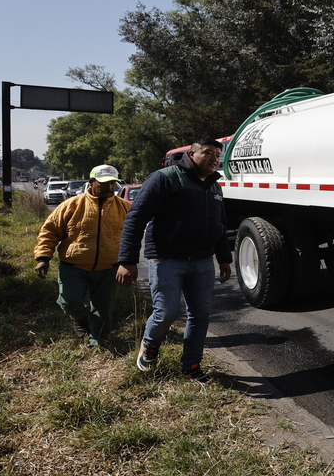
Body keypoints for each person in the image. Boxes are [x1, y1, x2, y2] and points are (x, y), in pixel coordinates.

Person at [116, 137, 232, 383]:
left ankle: (191, 366)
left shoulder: (214, 186)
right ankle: (149, 345)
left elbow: (220, 224)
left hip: (202, 262)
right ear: (191, 154)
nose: (214, 158)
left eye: (218, 155)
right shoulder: (165, 178)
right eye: (208, 152)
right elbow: (136, 218)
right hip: (167, 259)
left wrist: (224, 258)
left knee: (200, 315)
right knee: (166, 312)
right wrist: (127, 260)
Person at [34, 164, 129, 348]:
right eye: (103, 183)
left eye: (112, 183)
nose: (109, 187)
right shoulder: (72, 205)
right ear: (91, 182)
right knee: (69, 301)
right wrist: (43, 257)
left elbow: (132, 237)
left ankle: (97, 343)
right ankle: (80, 318)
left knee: (103, 310)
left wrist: (128, 263)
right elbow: (49, 232)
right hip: (74, 266)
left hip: (108, 268)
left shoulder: (124, 208)